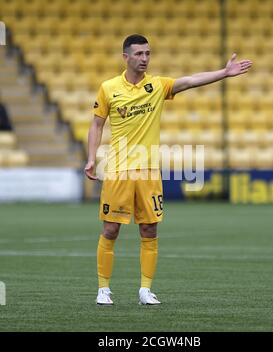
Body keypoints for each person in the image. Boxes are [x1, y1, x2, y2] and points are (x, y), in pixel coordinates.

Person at [84, 34, 252, 305]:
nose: (144, 59)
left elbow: (190, 81)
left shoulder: (158, 85)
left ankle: (145, 290)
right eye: (139, 54)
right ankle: (103, 289)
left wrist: (224, 73)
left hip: (149, 171)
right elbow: (96, 125)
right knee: (111, 229)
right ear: (125, 57)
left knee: (149, 230)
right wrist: (91, 158)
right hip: (117, 171)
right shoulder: (108, 88)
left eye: (148, 54)